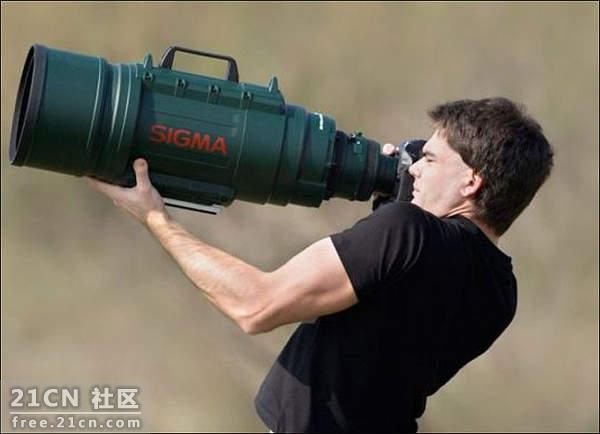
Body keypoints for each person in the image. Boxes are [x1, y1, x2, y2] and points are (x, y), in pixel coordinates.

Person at [87, 97, 554, 432]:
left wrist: (155, 217)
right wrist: (393, 205)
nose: (414, 168)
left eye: (430, 160)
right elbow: (399, 301)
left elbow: (255, 306)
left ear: (471, 181)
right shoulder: (502, 292)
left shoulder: (408, 232)